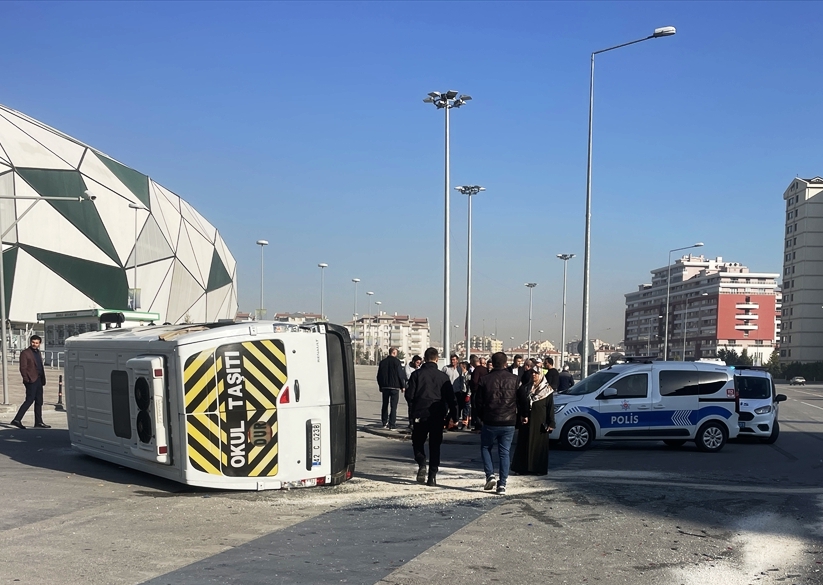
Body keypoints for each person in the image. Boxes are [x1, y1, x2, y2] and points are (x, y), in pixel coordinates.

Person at [475, 352, 528, 495]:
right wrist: (524, 415)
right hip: (509, 420)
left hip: (490, 420)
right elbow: (523, 400)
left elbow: (478, 402)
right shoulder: (515, 379)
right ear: (506, 363)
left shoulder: (485, 380)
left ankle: (490, 475)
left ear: (492, 363)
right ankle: (502, 485)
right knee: (504, 452)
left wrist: (481, 417)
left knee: (486, 447)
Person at [406, 347, 456, 486]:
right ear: (436, 359)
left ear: (424, 358)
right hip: (437, 415)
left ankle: (422, 463)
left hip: (420, 413)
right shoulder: (443, 377)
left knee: (417, 442)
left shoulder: (416, 375)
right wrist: (454, 416)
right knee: (435, 446)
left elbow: (409, 395)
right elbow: (451, 399)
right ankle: (432, 477)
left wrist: (414, 408)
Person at [511, 368, 556, 475]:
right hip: (526, 420)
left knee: (538, 446)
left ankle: (537, 469)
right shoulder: (526, 388)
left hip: (540, 421)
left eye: (536, 373)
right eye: (532, 373)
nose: (534, 375)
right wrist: (522, 415)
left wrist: (551, 423)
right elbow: (520, 403)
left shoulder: (547, 390)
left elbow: (550, 407)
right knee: (524, 443)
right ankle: (522, 468)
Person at [11, 335, 50, 429]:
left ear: (39, 344)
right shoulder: (25, 353)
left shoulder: (38, 352)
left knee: (39, 401)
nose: (34, 344)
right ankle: (17, 420)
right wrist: (26, 379)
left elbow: (40, 365)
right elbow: (22, 368)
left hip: (39, 379)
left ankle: (38, 422)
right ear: (30, 342)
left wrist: (42, 379)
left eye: (36, 343)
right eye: (33, 342)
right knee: (29, 400)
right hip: (31, 380)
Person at [376, 347, 407, 430]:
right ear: (394, 353)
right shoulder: (397, 362)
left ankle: (384, 422)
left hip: (385, 387)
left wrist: (380, 386)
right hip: (395, 387)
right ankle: (392, 424)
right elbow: (400, 375)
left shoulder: (382, 362)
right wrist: (402, 386)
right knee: (393, 406)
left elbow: (379, 376)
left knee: (385, 405)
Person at [469, 355, 488, 431]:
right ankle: (481, 425)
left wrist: (471, 385)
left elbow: (475, 381)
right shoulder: (485, 369)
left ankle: (478, 426)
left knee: (475, 408)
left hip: (476, 392)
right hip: (484, 391)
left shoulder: (477, 370)